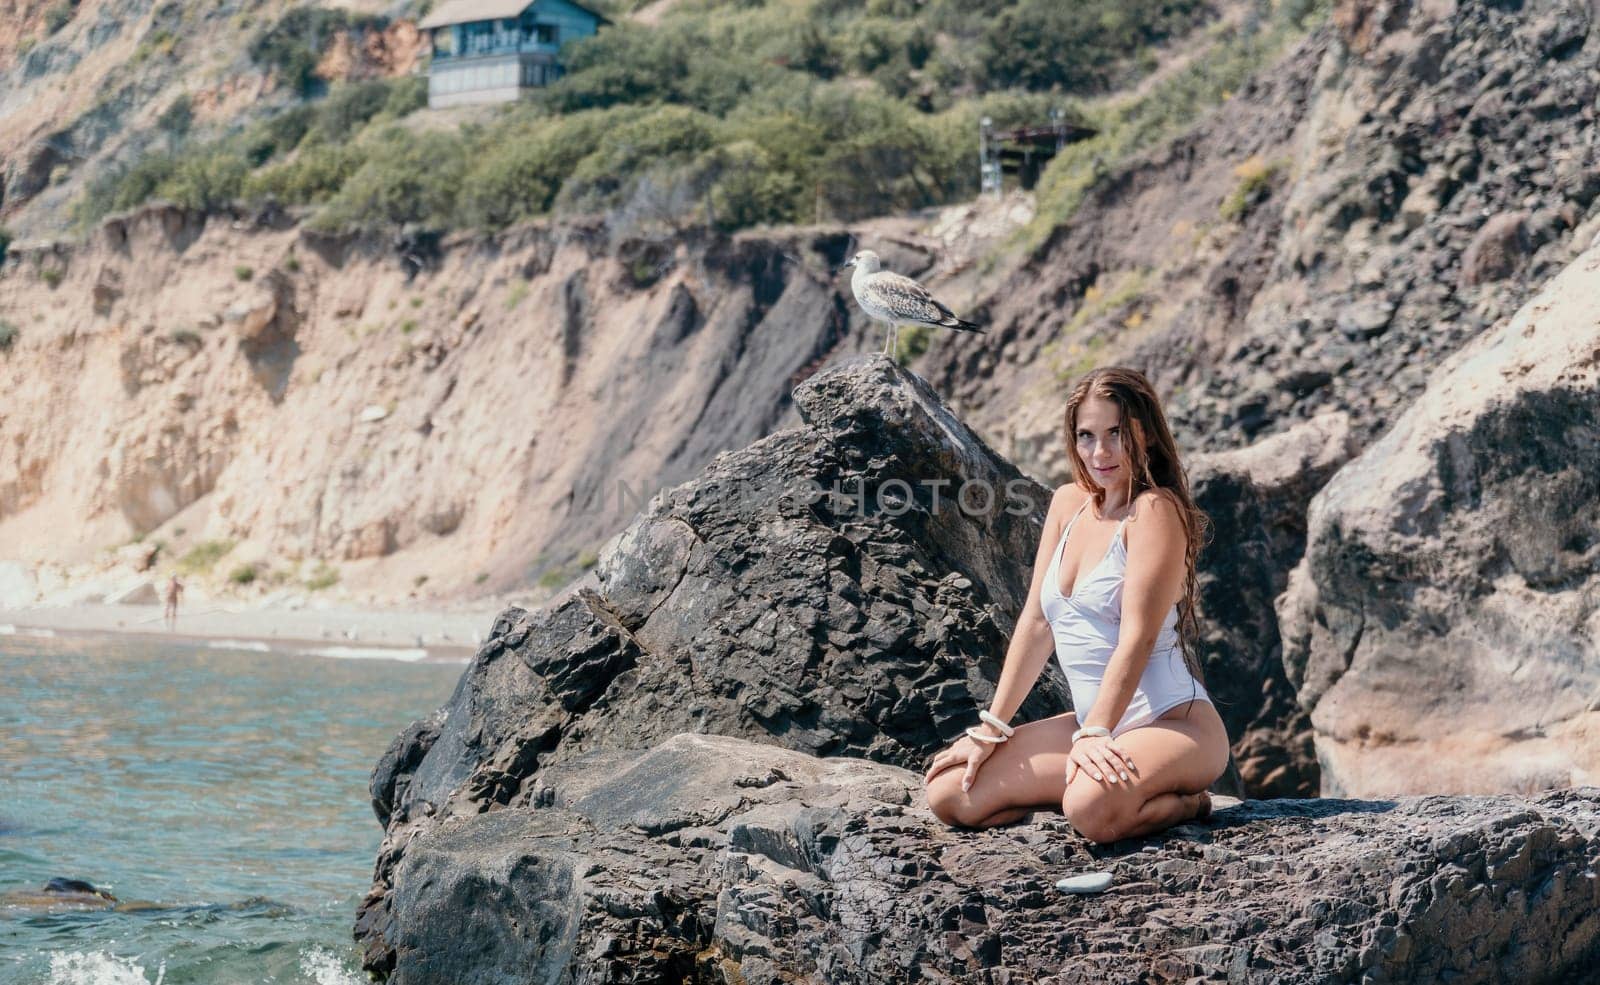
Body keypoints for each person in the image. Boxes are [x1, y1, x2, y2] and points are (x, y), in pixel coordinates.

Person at [923, 367, 1229, 844]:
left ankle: (1190, 801)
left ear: (1144, 435)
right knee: (950, 791)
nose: (1100, 453)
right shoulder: (1068, 502)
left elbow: (1138, 637)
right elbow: (1038, 621)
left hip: (1171, 722)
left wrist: (1096, 733)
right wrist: (991, 728)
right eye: (1086, 436)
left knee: (1091, 812)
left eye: (1116, 435)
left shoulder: (1154, 511)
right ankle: (1093, 786)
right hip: (1093, 727)